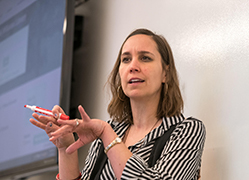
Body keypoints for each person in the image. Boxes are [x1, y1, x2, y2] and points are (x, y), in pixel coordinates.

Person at [29, 28, 206, 180]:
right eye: (126, 59)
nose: (133, 66)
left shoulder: (187, 130)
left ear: (165, 74)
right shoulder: (112, 130)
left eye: (145, 58)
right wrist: (65, 147)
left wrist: (106, 134)